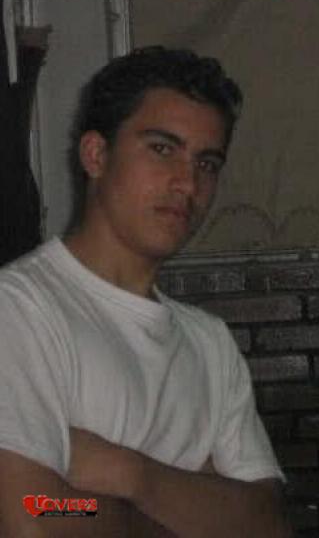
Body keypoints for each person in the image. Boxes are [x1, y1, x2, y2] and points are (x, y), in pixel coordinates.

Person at [0, 46, 291, 537]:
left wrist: (133, 476)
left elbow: (268, 523)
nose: (187, 183)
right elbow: (34, 513)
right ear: (96, 155)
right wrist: (191, 509)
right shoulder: (21, 309)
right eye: (162, 149)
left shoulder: (209, 344)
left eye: (207, 163)